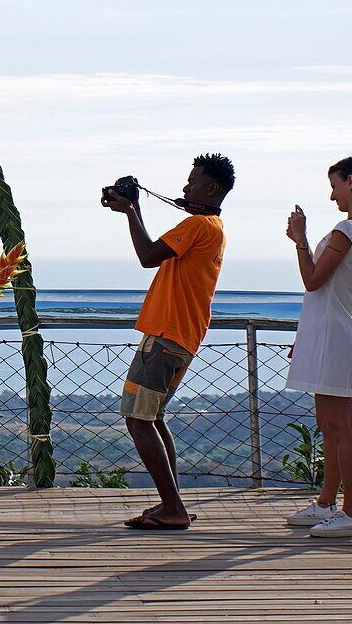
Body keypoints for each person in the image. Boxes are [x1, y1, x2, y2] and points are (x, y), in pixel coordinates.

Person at [102, 153, 235, 530]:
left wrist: (130, 211)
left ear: (211, 188)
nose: (185, 187)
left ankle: (173, 508)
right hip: (182, 335)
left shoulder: (198, 225)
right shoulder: (213, 228)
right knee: (153, 418)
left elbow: (147, 256)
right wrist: (134, 209)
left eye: (192, 181)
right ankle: (173, 503)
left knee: (138, 419)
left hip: (166, 335)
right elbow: (159, 254)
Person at [284, 155, 352, 538]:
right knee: (329, 424)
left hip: (334, 335)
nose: (332, 194)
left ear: (351, 182)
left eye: (336, 185)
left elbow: (313, 281)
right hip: (330, 331)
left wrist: (301, 240)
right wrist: (306, 336)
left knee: (341, 424)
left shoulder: (346, 230)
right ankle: (327, 503)